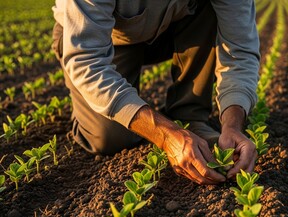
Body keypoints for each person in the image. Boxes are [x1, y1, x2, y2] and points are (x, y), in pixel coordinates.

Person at [51, 0, 260, 185]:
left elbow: (240, 51)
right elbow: (87, 61)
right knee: (109, 138)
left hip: (172, 26)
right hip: (109, 38)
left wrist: (233, 125)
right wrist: (165, 135)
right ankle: (157, 123)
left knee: (209, 9)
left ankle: (189, 116)